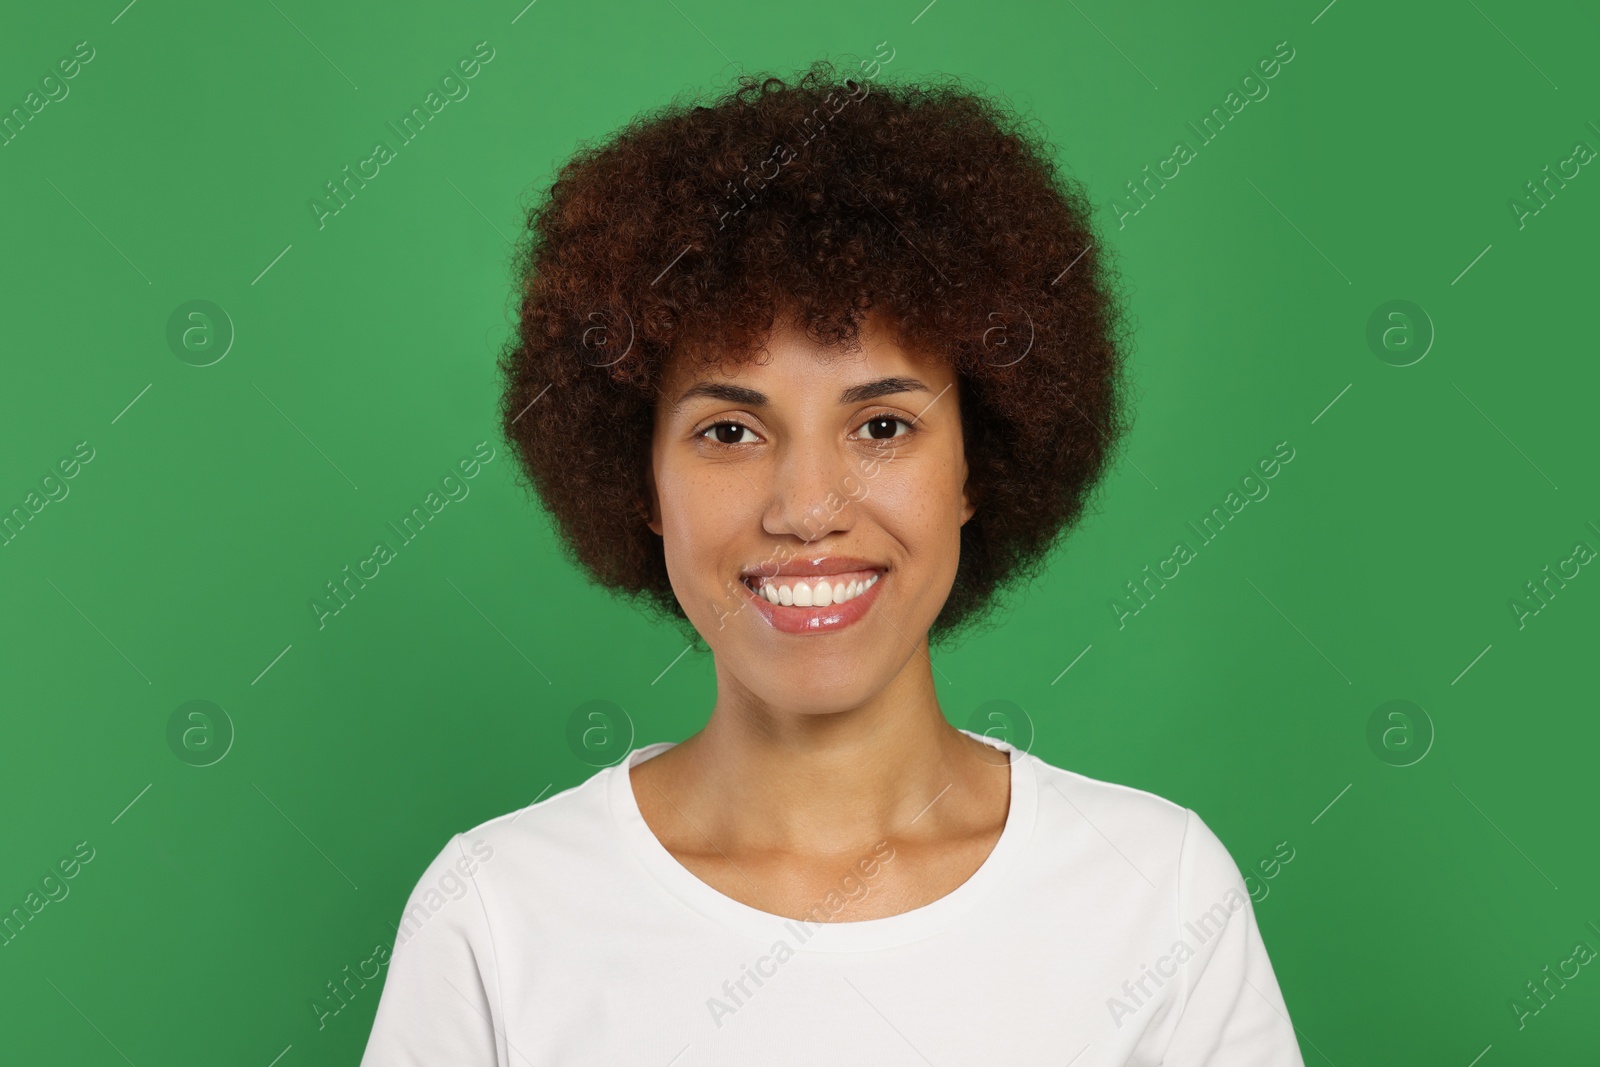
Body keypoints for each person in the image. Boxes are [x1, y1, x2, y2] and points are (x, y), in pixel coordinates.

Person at [360, 59, 1305, 1065]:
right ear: (638, 484)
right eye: (728, 431)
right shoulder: (498, 913)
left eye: (883, 424)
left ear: (976, 465)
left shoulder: (1155, 893)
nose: (807, 508)